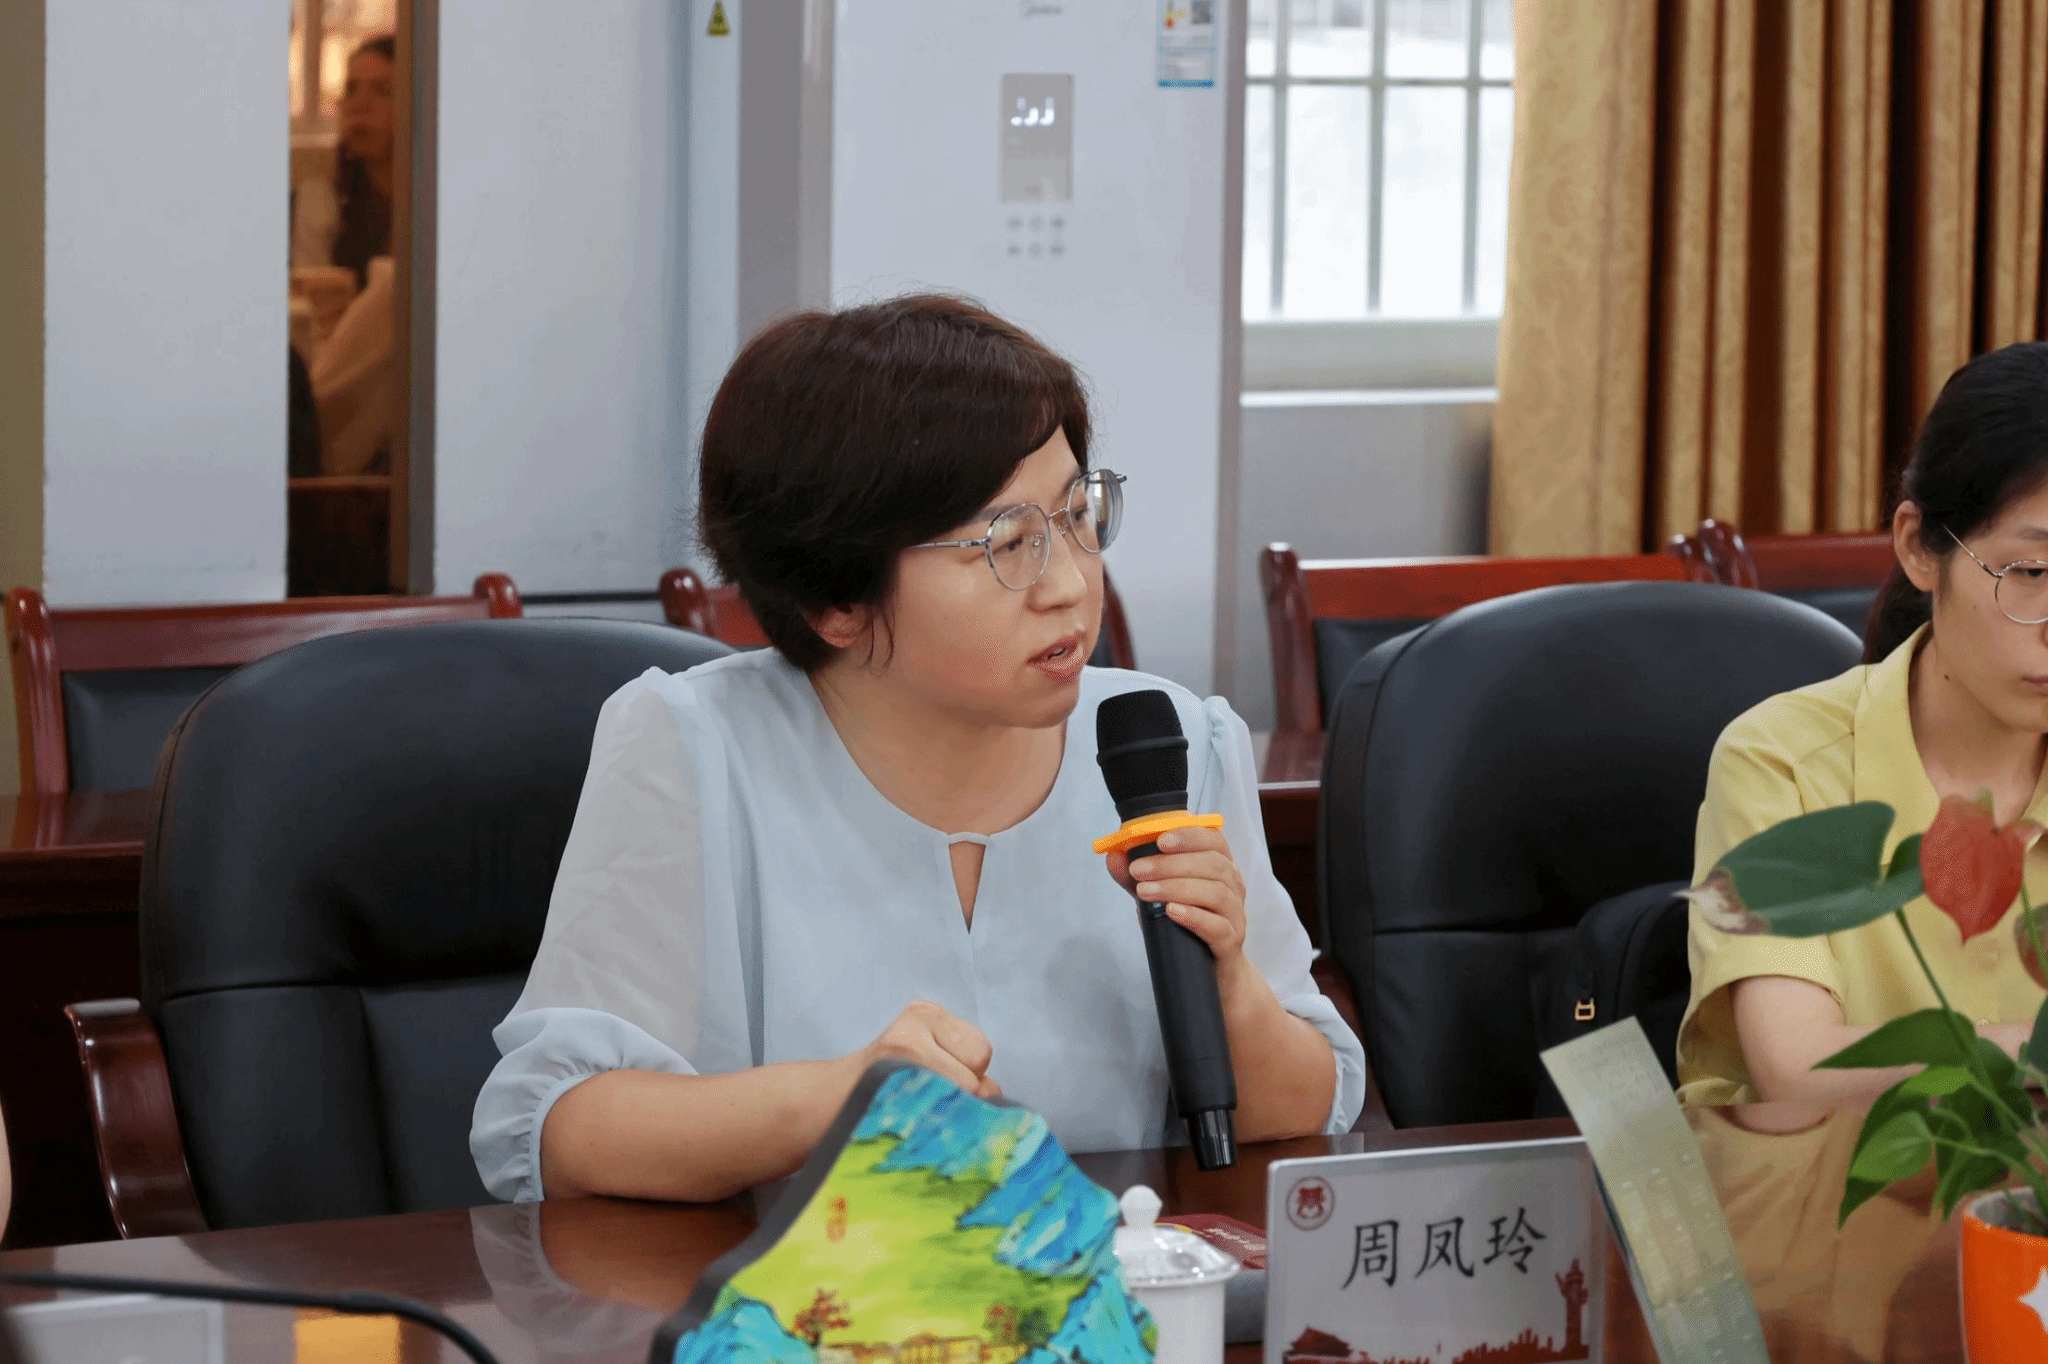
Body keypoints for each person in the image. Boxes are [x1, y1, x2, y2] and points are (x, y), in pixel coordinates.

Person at [471, 295, 1365, 1203]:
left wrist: (1229, 984)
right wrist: (834, 1101)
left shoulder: (1166, 742)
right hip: (806, 1285)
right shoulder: (694, 747)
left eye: (1075, 516)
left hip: (1105, 1280)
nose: (1069, 584)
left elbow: (1314, 1108)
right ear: (837, 600)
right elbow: (556, 1131)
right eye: (1006, 543)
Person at [1678, 342, 2048, 1106]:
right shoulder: (1781, 762)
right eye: (2033, 574)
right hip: (1802, 1177)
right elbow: (1796, 1068)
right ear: (1919, 548)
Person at [292, 34, 395, 284]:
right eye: (351, 90)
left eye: (382, 91)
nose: (359, 105)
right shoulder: (323, 198)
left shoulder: (432, 203)